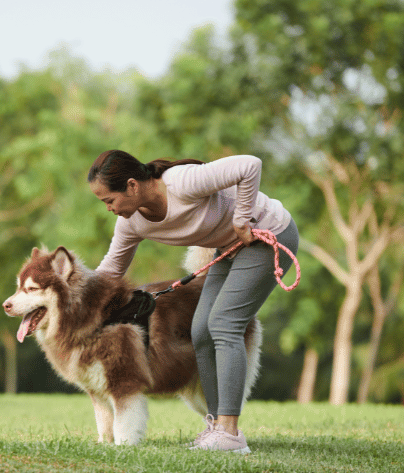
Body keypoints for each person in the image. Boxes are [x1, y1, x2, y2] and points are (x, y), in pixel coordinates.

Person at [88, 149, 299, 453]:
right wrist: (74, 300)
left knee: (224, 323)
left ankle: (230, 434)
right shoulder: (131, 223)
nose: (108, 208)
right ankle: (216, 428)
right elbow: (109, 273)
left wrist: (241, 219)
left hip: (267, 234)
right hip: (229, 248)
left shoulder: (180, 183)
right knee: (200, 330)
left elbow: (250, 165)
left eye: (109, 200)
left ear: (132, 186)